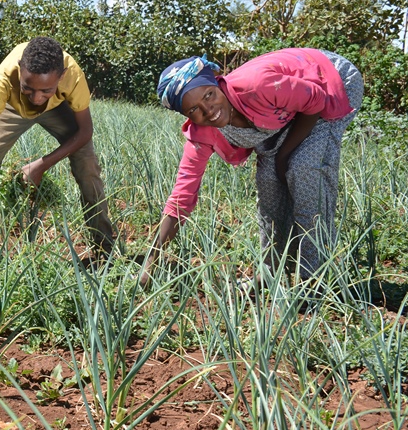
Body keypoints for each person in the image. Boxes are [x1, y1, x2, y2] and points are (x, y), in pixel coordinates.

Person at [141, 48, 363, 288]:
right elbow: (181, 197)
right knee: (269, 184)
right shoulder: (202, 133)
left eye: (208, 95)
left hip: (330, 81)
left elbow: (315, 100)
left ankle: (313, 280)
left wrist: (284, 155)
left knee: (303, 170)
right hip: (291, 105)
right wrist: (151, 261)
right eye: (193, 110)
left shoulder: (257, 86)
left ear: (216, 82)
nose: (208, 111)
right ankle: (269, 274)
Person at [0, 37, 117, 255]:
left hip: (57, 108)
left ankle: (103, 245)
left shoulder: (73, 75)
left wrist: (41, 165)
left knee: (87, 164)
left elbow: (85, 131)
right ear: (20, 70)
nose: (37, 98)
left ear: (62, 76)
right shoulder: (6, 73)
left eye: (45, 90)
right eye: (28, 89)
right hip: (13, 107)